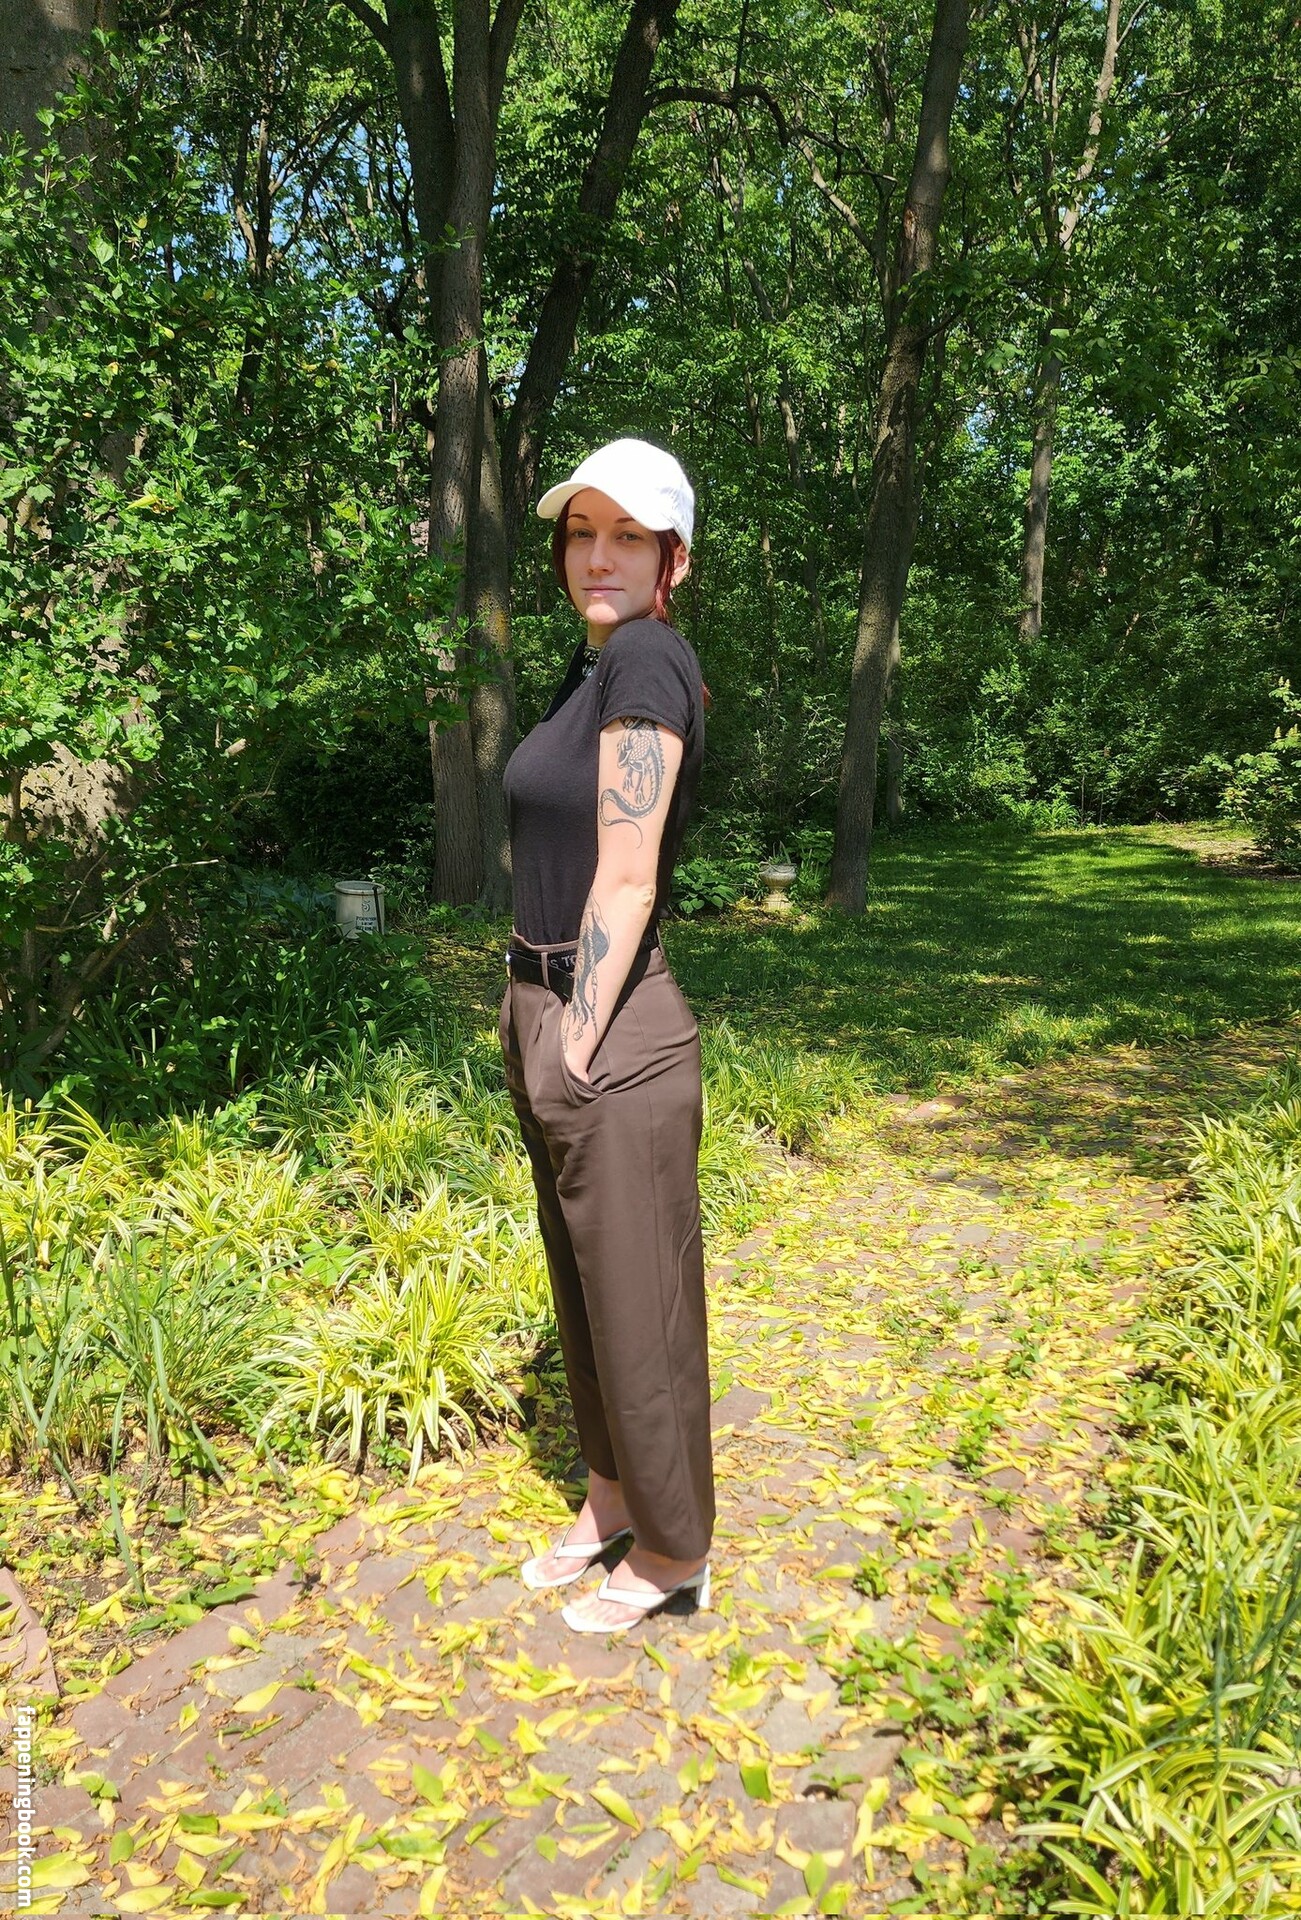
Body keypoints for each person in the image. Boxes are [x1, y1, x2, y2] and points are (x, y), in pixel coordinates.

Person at [499, 437, 713, 1635]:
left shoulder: (644, 655)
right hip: (549, 1001)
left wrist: (573, 1037)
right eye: (581, 532)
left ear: (671, 558)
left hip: (609, 1024)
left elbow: (626, 876)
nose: (596, 555)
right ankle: (610, 1497)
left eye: (627, 535)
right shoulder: (587, 670)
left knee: (639, 1307)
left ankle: (673, 1548)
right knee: (585, 1288)